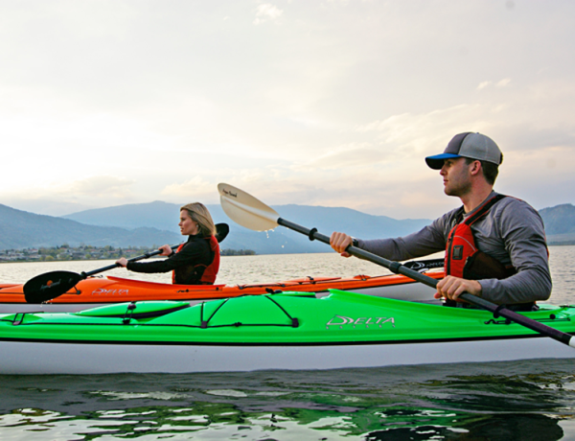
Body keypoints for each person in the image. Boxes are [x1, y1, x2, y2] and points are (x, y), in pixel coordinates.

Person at [330, 132, 551, 309]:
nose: (442, 172)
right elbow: (401, 248)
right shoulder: (452, 220)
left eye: (450, 164)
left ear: (475, 167)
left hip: (508, 319)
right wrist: (354, 245)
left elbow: (538, 282)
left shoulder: (513, 213)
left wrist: (475, 287)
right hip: (462, 315)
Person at [116, 202, 220, 285]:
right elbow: (186, 263)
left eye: (183, 220)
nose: (179, 224)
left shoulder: (197, 245)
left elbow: (164, 266)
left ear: (197, 221)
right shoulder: (197, 243)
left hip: (193, 294)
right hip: (188, 291)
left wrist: (129, 264)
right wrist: (171, 254)